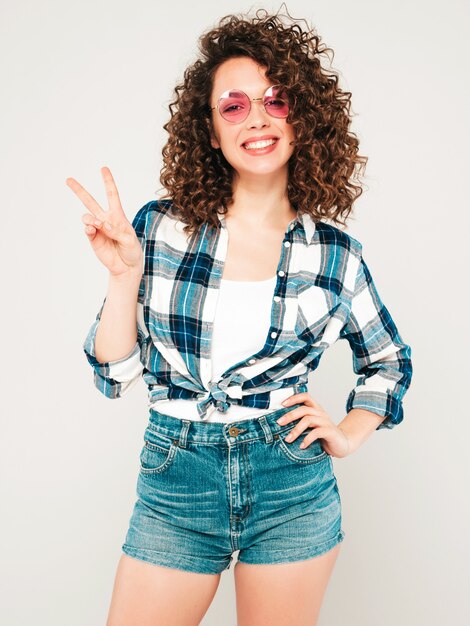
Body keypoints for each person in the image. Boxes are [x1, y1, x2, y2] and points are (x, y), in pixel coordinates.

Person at [66, 6, 413, 626]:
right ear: (211, 128)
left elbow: (387, 363)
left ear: (302, 117)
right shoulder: (160, 229)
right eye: (234, 105)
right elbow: (114, 376)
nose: (256, 118)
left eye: (275, 101)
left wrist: (349, 432)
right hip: (177, 477)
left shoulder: (335, 254)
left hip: (291, 484)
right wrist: (123, 278)